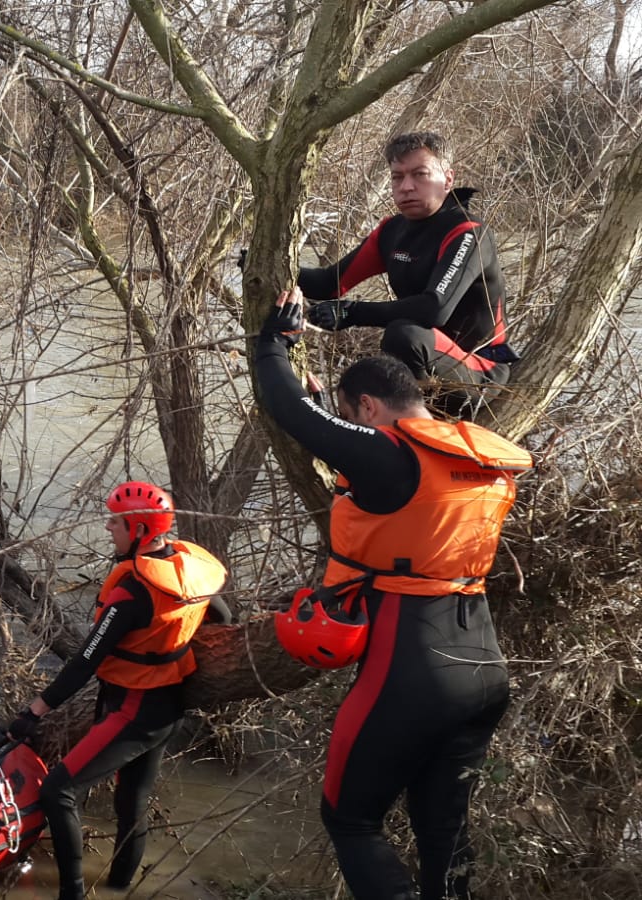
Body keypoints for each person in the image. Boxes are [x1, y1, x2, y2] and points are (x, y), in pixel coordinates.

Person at [256, 287, 531, 899]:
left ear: (370, 407)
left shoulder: (389, 455)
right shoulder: (473, 454)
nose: (351, 433)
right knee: (443, 826)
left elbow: (288, 409)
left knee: (350, 819)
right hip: (483, 664)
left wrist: (274, 341)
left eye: (353, 418)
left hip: (413, 664)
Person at [5, 483, 230, 899]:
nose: (108, 527)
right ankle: (119, 888)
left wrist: (34, 711)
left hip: (135, 710)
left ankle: (72, 893)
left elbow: (85, 661)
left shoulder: (132, 593)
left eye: (115, 522)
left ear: (140, 530)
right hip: (169, 705)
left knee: (58, 791)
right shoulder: (185, 569)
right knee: (131, 804)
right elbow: (222, 614)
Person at [296, 131, 519, 418]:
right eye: (397, 177)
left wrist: (351, 313)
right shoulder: (392, 231)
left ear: (448, 180)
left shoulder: (468, 232)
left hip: (481, 369)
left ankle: (418, 434)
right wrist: (261, 263)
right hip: (425, 363)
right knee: (357, 380)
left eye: (420, 174)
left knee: (403, 335)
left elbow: (433, 309)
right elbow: (328, 284)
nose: (407, 187)